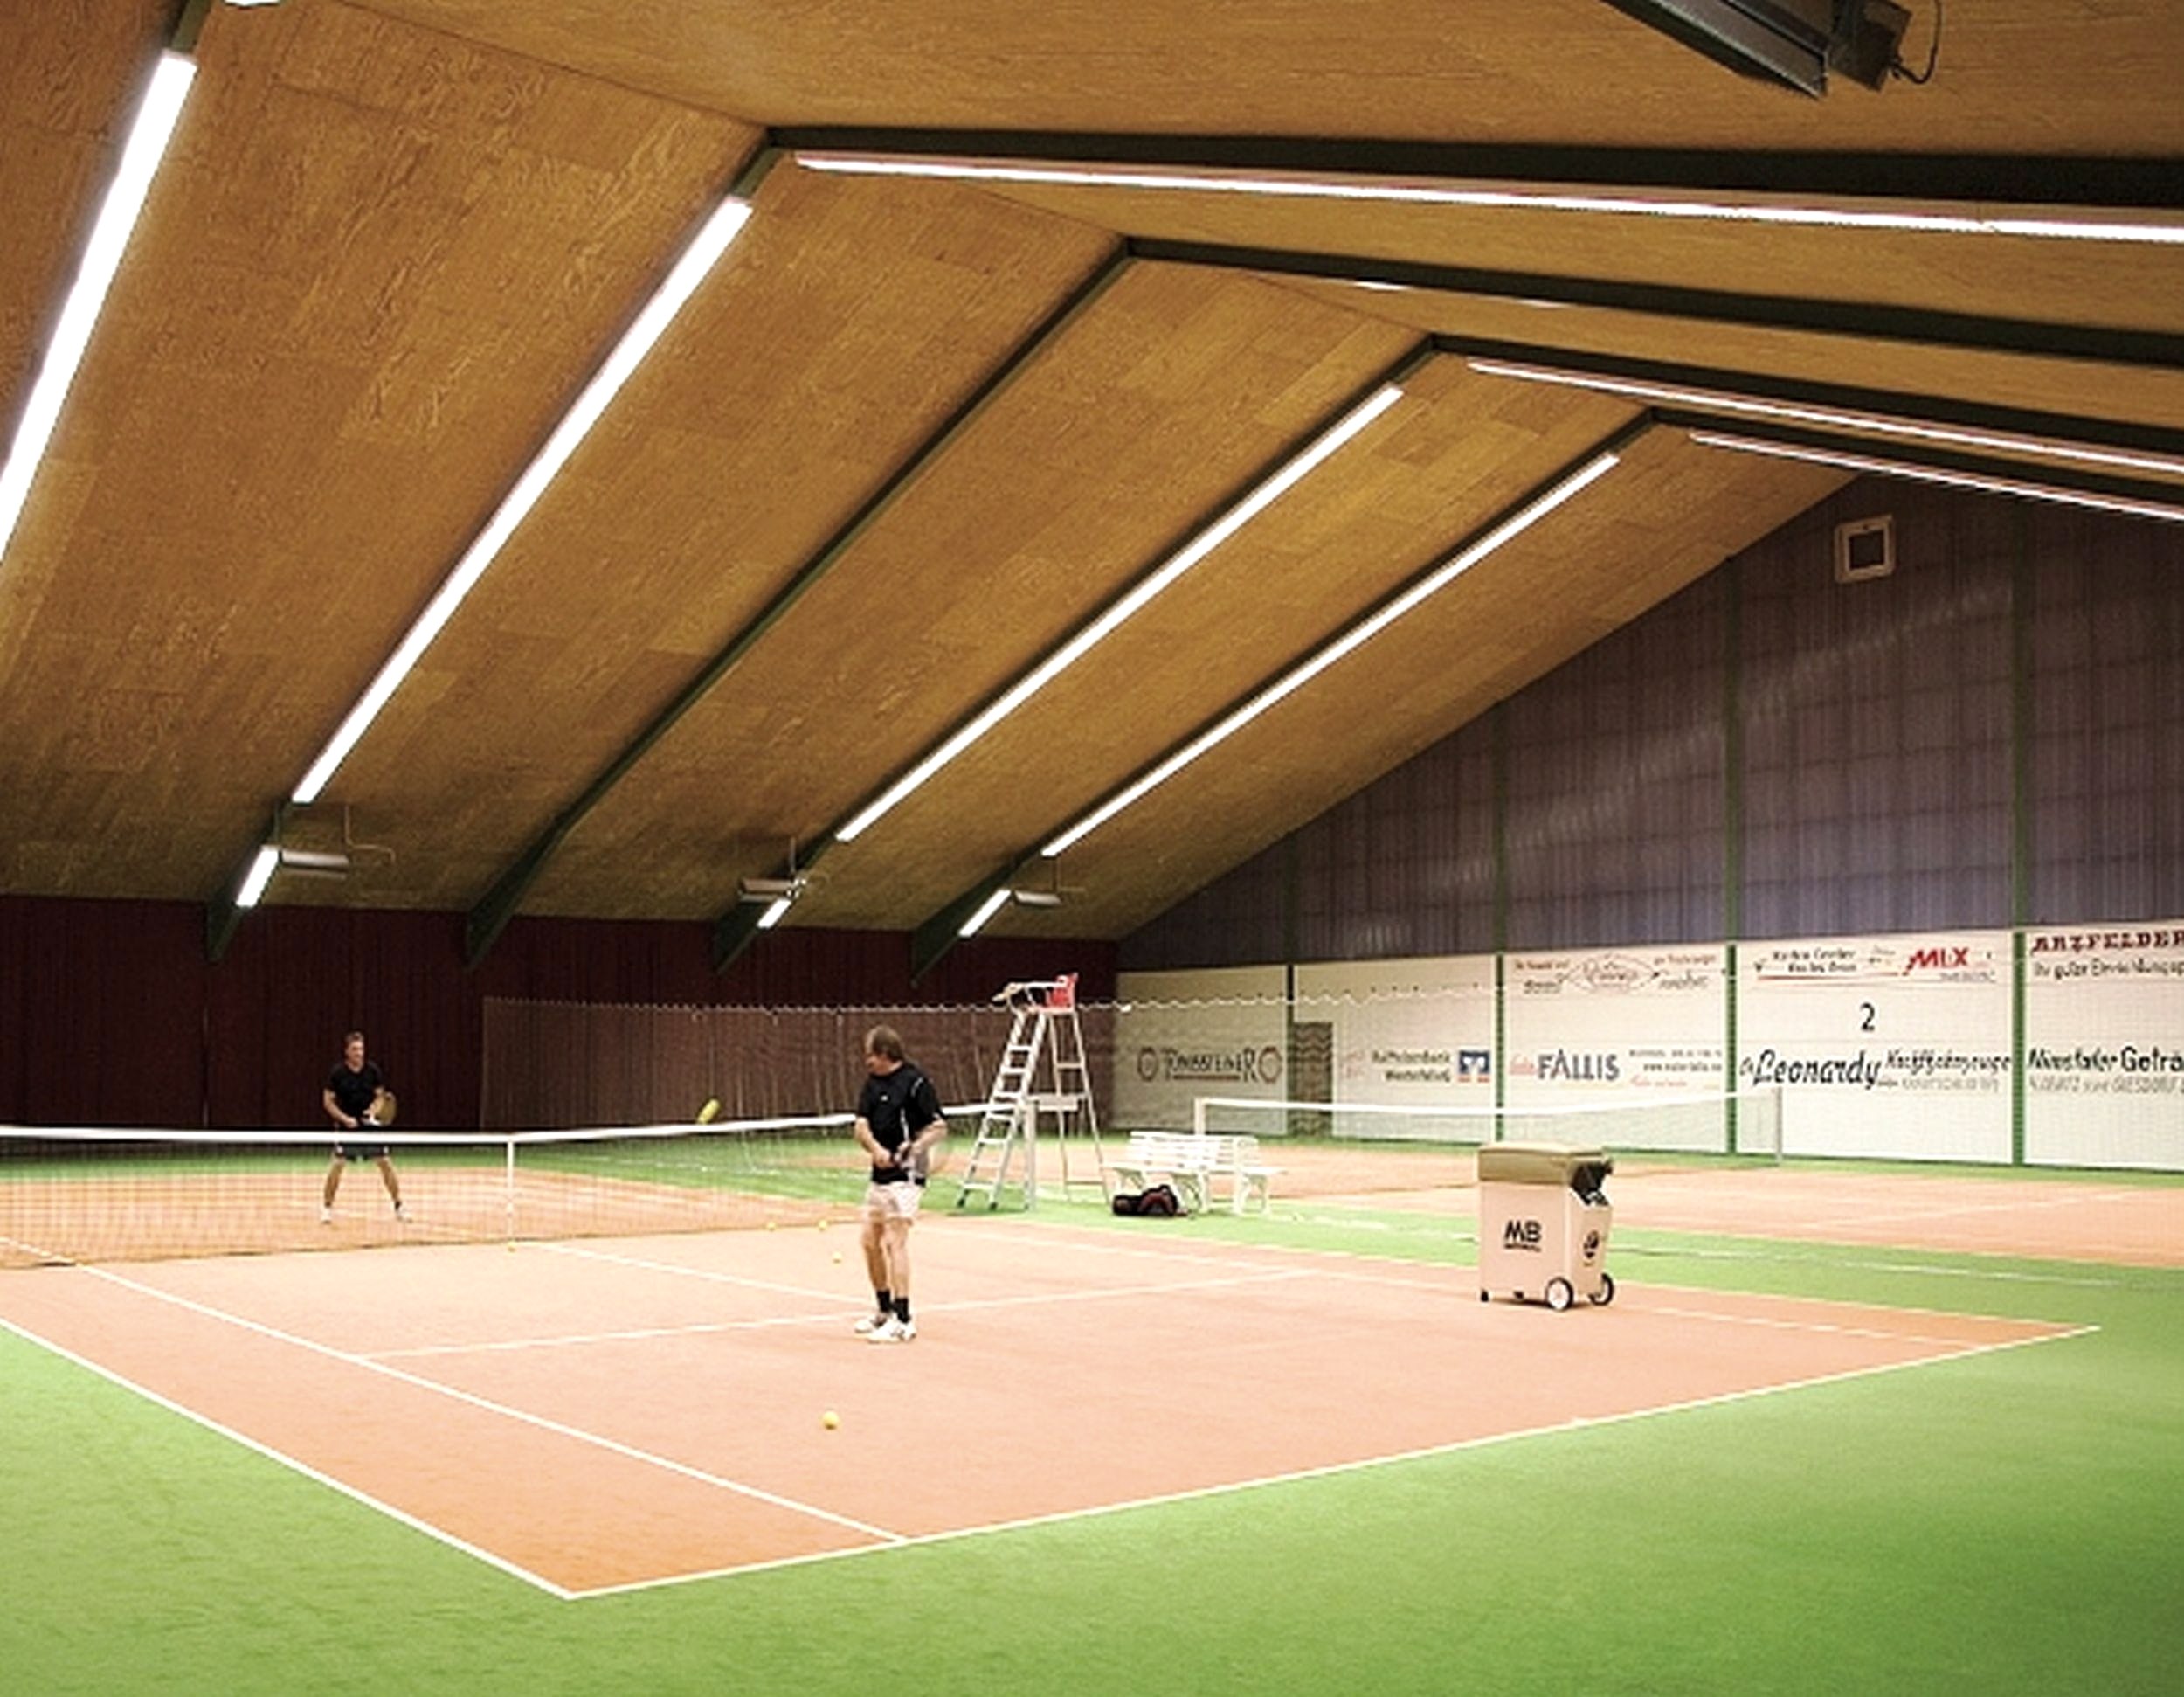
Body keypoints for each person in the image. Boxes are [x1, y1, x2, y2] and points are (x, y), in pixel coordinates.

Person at [852, 1024, 946, 1343]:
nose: (866, 1061)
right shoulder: (871, 1084)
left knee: (895, 1241)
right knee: (869, 1240)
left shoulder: (916, 1082)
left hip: (907, 1176)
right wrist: (876, 1150)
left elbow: (938, 1127)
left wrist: (913, 1149)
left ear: (885, 1053)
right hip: (879, 1176)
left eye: (870, 1055)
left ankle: (904, 1320)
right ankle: (884, 1310)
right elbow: (861, 1125)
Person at [321, 1030, 404, 1223]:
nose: (359, 1053)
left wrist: (373, 1110)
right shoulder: (338, 1073)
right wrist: (344, 1119)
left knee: (385, 1164)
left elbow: (380, 1097)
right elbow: (327, 1101)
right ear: (347, 1051)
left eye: (361, 1049)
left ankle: (399, 1205)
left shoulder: (372, 1071)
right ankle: (327, 1208)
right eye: (355, 1049)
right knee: (337, 1166)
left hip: (370, 1128)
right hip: (347, 1129)